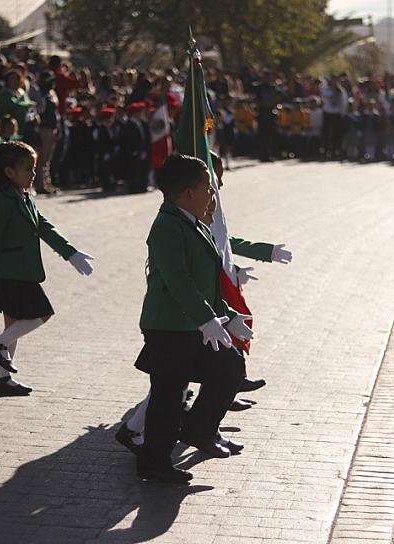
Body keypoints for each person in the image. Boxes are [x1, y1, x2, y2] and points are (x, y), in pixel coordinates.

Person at [132, 154, 251, 483]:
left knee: (230, 367)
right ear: (188, 193)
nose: (212, 194)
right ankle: (153, 463)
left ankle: (200, 430)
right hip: (169, 325)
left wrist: (227, 316)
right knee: (169, 395)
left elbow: (206, 283)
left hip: (196, 322)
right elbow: (179, 280)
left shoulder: (194, 222)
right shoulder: (167, 226)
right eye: (208, 188)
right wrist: (207, 319)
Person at [0, 141, 95, 397]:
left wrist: (71, 253)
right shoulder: (3, 202)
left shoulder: (24, 197)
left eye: (34, 168)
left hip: (19, 272)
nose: (33, 173)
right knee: (41, 314)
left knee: (13, 326)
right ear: (9, 172)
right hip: (9, 273)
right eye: (28, 169)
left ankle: (2, 379)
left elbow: (44, 227)